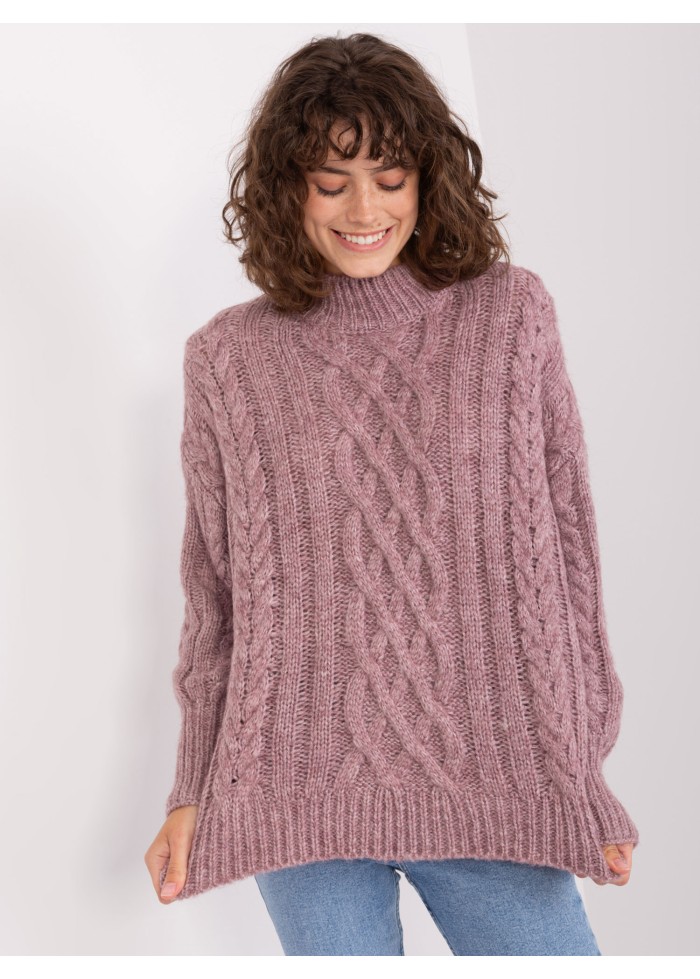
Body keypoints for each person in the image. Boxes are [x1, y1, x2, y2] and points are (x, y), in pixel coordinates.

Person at [144, 32, 639, 955]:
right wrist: (191, 789)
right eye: (331, 183)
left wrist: (585, 773)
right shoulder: (226, 360)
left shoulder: (512, 315)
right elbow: (216, 600)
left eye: (390, 176)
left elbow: (569, 562)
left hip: (501, 785)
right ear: (288, 191)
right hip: (295, 794)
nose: (364, 209)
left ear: (428, 180)